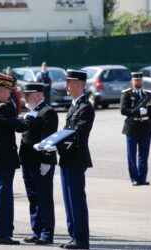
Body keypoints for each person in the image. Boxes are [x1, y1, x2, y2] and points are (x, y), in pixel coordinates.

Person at [0, 71, 34, 245]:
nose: (10, 94)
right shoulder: (1, 108)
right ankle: (0, 233)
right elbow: (18, 127)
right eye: (8, 91)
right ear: (1, 90)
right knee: (2, 195)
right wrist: (29, 118)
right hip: (2, 156)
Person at [46, 69, 94, 249]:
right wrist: (51, 143)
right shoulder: (74, 106)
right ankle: (73, 235)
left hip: (76, 159)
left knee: (76, 199)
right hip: (67, 159)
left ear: (80, 85)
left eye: (70, 82)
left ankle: (81, 239)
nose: (66, 86)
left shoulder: (85, 108)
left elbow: (78, 136)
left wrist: (56, 146)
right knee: (68, 199)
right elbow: (66, 133)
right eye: (67, 82)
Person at [19, 83, 58, 245]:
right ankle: (36, 230)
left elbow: (51, 139)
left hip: (40, 162)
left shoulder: (47, 112)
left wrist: (47, 161)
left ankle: (47, 232)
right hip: (27, 161)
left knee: (44, 197)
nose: (25, 97)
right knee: (33, 197)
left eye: (28, 94)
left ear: (38, 94)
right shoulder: (32, 112)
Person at [120, 72, 151, 186]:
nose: (138, 82)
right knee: (132, 155)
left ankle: (142, 178)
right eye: (136, 80)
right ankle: (134, 178)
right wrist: (137, 111)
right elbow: (123, 110)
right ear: (132, 81)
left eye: (140, 80)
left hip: (145, 128)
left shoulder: (147, 94)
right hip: (132, 128)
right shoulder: (127, 94)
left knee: (144, 155)